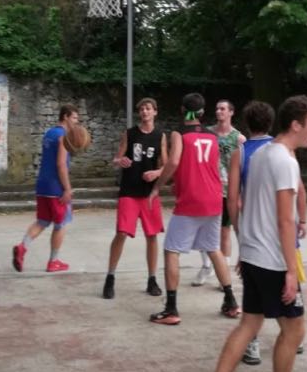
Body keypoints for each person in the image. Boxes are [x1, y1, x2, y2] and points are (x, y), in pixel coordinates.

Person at [192, 94, 307, 372]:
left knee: (249, 324)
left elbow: (242, 203)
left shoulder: (260, 154)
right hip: (273, 260)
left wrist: (244, 249)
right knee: (294, 329)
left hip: (252, 255)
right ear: (295, 124)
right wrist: (291, 270)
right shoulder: (285, 161)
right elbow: (285, 220)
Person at [225, 100, 307, 366]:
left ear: (246, 124)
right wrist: (303, 219)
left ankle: (253, 345)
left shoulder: (241, 153)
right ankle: (293, 338)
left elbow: (233, 199)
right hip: (281, 239)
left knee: (253, 308)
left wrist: (241, 235)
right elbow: (299, 190)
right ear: (272, 122)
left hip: (254, 239)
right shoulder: (284, 150)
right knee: (288, 296)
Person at [148, 92, 240, 325]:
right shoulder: (212, 136)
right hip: (214, 198)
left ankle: (171, 309)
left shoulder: (180, 133)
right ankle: (231, 301)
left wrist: (158, 186)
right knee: (214, 249)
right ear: (202, 112)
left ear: (182, 109)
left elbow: (174, 161)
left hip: (192, 200)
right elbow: (208, 165)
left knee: (171, 250)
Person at [102, 98, 167, 300]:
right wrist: (120, 161)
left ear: (155, 112)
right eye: (142, 109)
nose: (144, 112)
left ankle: (152, 279)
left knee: (152, 235)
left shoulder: (160, 136)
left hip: (149, 194)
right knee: (121, 233)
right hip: (129, 191)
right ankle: (110, 277)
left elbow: (166, 166)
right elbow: (116, 159)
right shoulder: (130, 134)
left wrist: (156, 173)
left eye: (148, 108)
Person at [12, 104, 81, 273]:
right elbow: (61, 164)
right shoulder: (63, 136)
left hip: (42, 185)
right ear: (65, 117)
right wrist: (67, 189)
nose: (76, 122)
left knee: (42, 221)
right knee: (61, 224)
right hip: (56, 188)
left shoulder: (49, 134)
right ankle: (53, 261)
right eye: (74, 118)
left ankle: (22, 247)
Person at [192, 99, 246, 286]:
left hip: (227, 191)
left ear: (231, 112)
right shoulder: (206, 133)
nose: (219, 111)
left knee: (224, 231)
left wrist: (241, 192)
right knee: (202, 229)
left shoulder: (239, 139)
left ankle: (224, 272)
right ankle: (206, 266)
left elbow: (243, 168)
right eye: (217, 108)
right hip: (206, 188)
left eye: (223, 109)